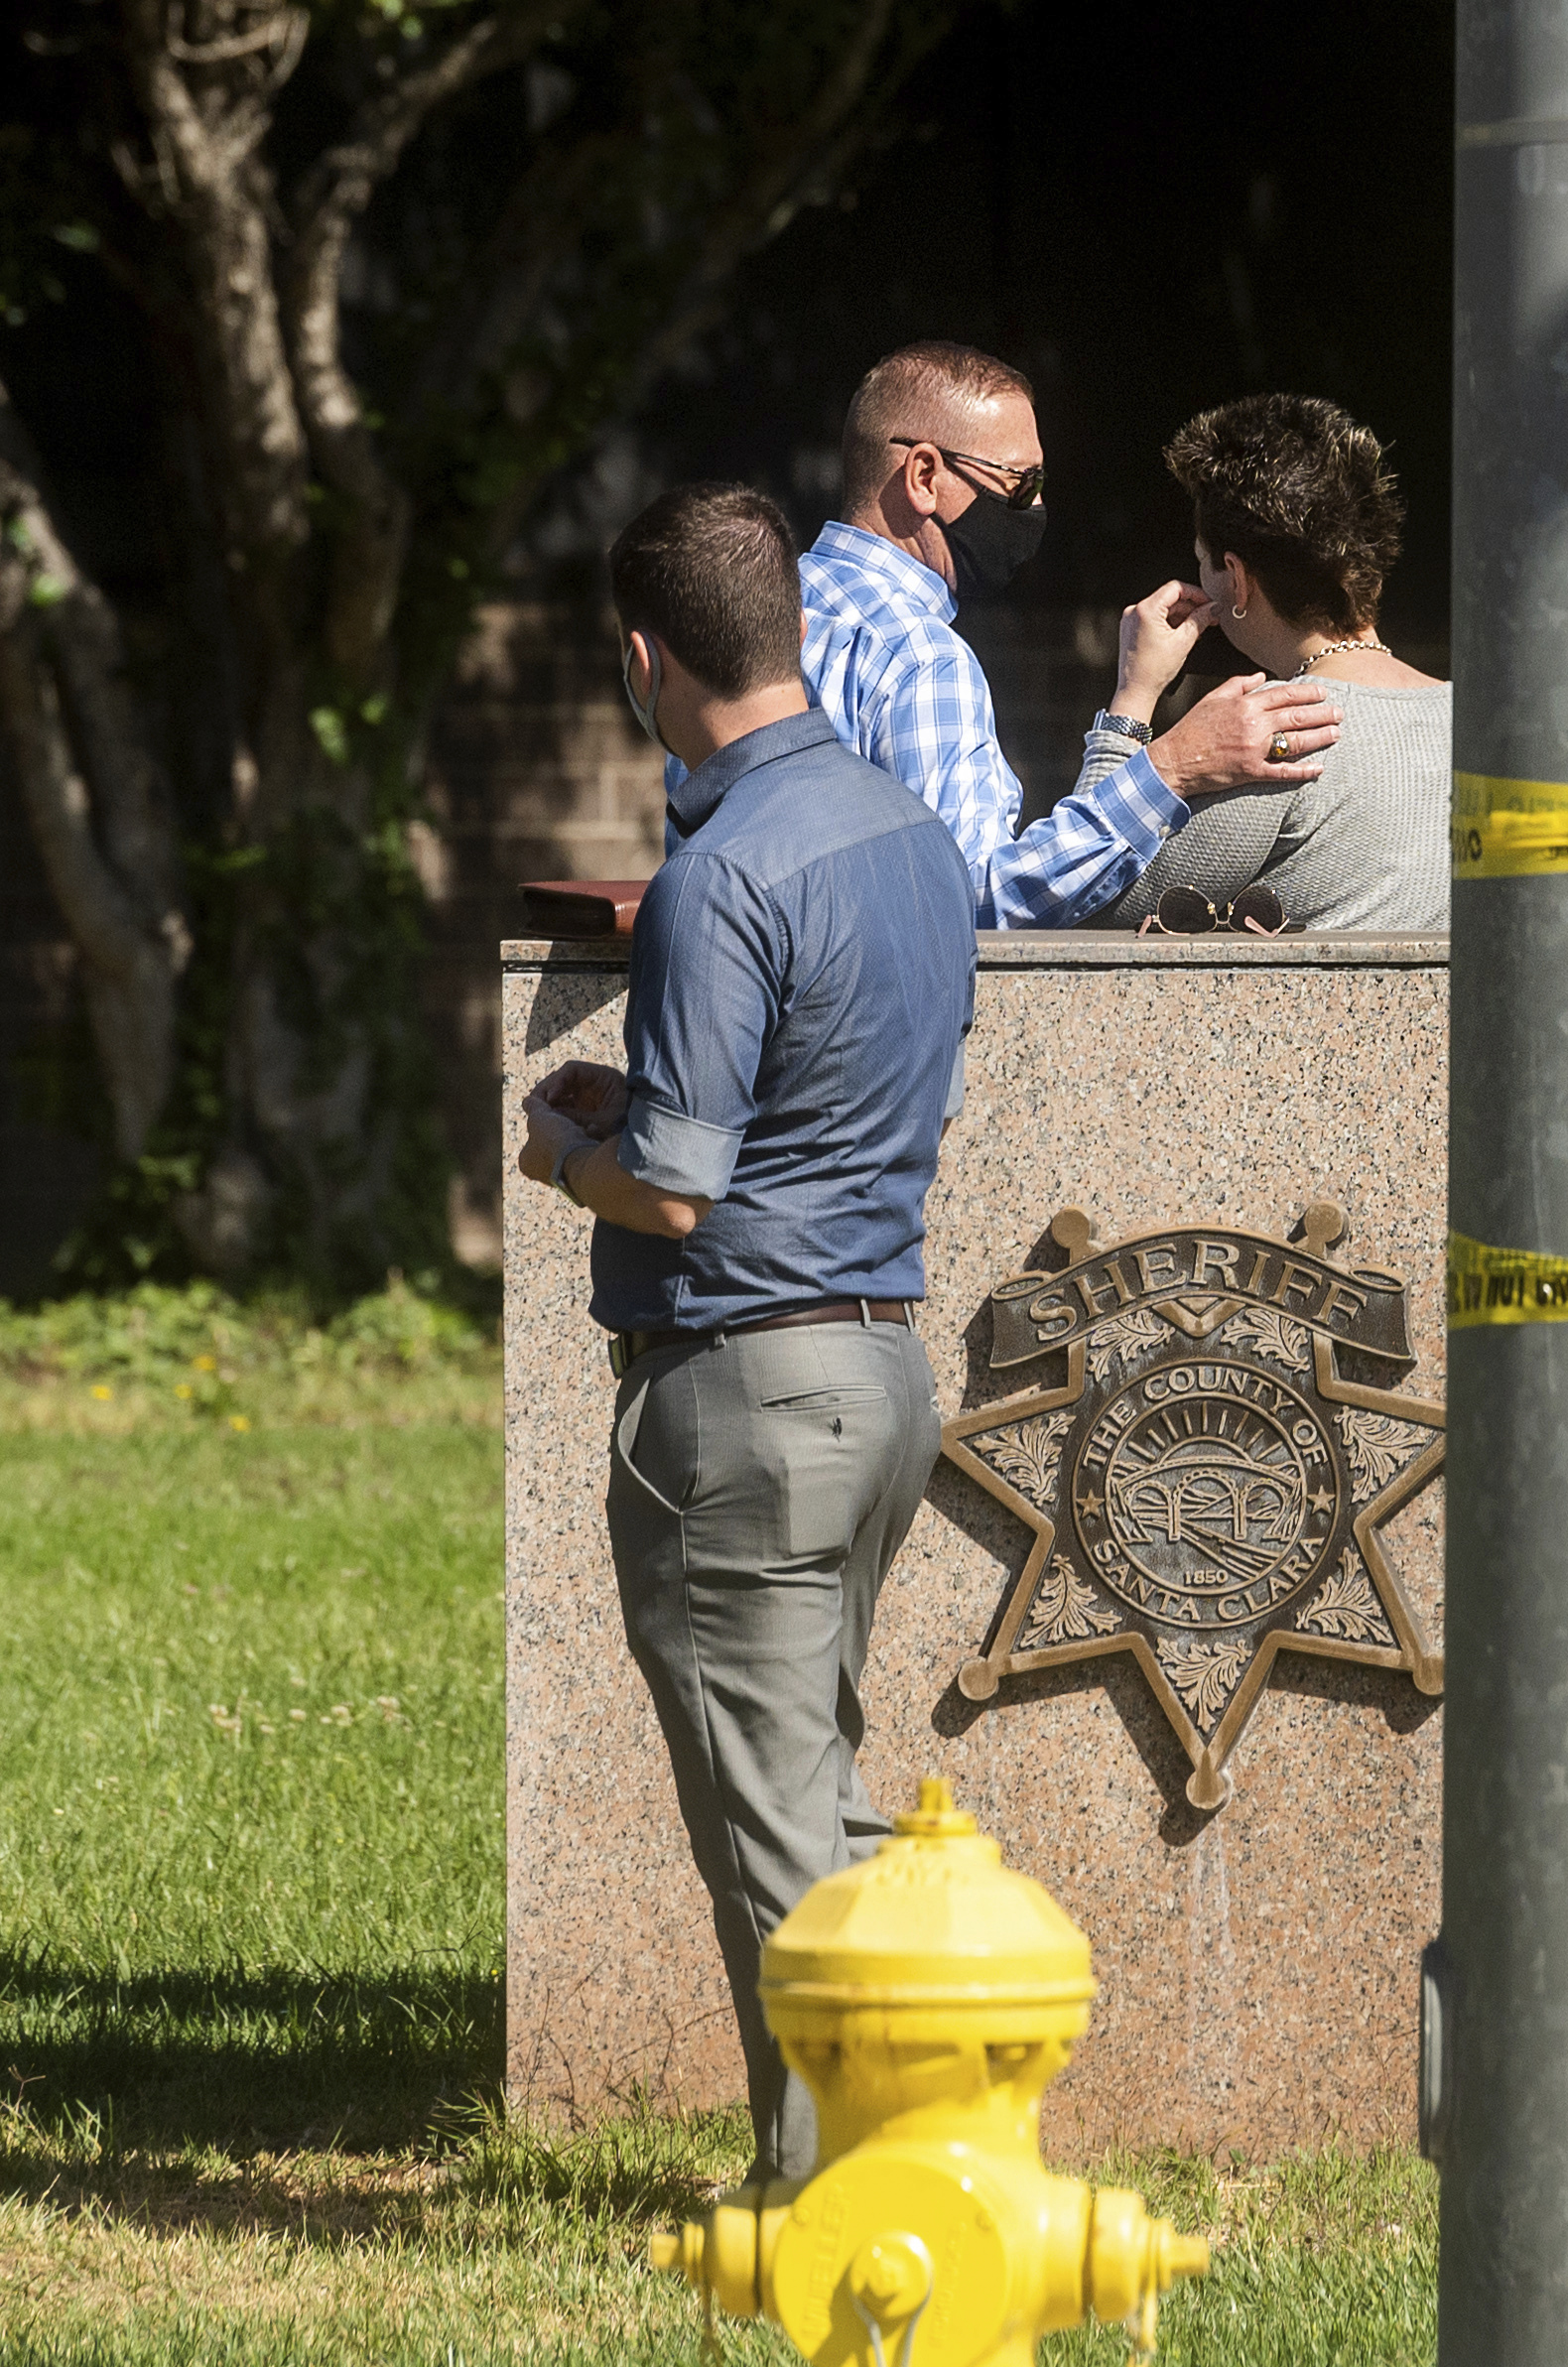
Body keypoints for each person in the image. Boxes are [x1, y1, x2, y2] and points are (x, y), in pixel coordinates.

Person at [515, 481, 971, 2188]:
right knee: (821, 1791)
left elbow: (684, 1197)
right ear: (782, 624)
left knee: (775, 1830)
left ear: (645, 658)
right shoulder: (906, 832)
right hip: (879, 1374)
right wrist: (647, 1109)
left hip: (743, 1390)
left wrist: (570, 1153)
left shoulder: (718, 877)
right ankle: (915, 2132)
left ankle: (837, 2193)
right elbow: (811, 1103)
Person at [744, 339, 1347, 926]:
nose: (1035, 508)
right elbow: (968, 905)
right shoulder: (920, 656)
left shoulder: (761, 608)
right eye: (1021, 483)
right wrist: (1174, 766)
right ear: (924, 475)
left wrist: (1129, 704)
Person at [1091, 394, 1450, 931]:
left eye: (1201, 563)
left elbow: (1087, 897)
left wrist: (1132, 698)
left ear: (1237, 578)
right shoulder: (1467, 716)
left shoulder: (1277, 730)